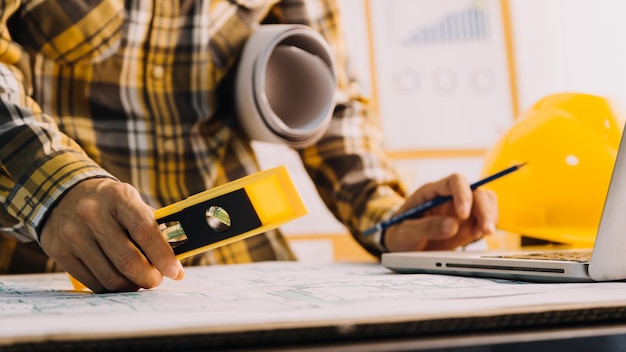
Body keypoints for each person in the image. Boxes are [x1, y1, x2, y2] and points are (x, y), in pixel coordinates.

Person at [0, 0, 497, 293]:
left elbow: (330, 92)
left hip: (243, 271)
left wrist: (387, 215)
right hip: (61, 266)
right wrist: (57, 188)